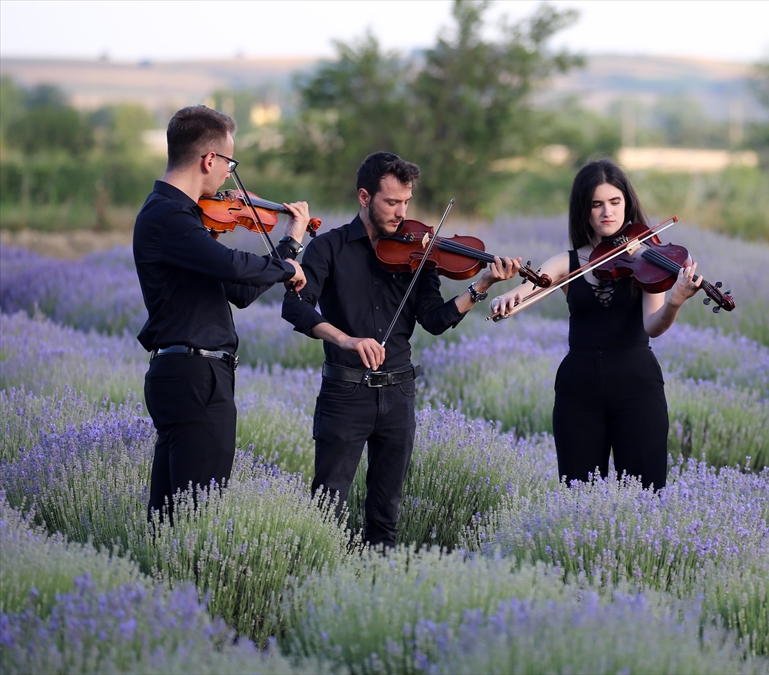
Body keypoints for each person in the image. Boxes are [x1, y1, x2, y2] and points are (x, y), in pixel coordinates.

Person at [281, 152, 521, 549]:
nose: (401, 213)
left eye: (406, 202)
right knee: (327, 508)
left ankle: (379, 577)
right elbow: (295, 306)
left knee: (386, 516)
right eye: (392, 202)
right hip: (345, 392)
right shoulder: (329, 248)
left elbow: (434, 319)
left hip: (398, 395)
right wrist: (346, 340)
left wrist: (480, 286)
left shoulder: (419, 252)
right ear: (364, 197)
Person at [134, 105, 310, 522]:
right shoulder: (169, 216)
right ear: (209, 159)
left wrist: (290, 243)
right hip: (194, 377)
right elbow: (232, 265)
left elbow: (239, 292)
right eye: (230, 163)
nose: (230, 177)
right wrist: (287, 268)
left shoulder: (182, 217)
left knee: (171, 517)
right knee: (197, 515)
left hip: (191, 374)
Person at [490, 159, 703, 491]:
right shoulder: (567, 262)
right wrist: (507, 298)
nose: (607, 212)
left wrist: (674, 301)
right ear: (584, 210)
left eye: (615, 202)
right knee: (578, 498)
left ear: (626, 204)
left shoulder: (648, 258)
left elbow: (653, 326)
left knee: (646, 497)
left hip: (637, 388)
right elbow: (532, 285)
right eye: (596, 204)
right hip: (578, 391)